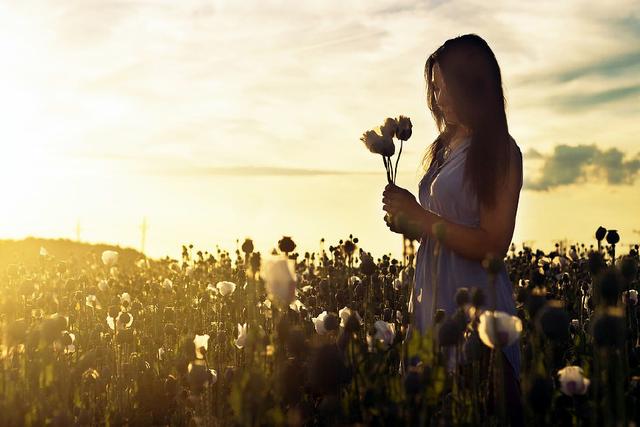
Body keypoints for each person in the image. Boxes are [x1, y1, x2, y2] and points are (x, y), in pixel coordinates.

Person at [382, 34, 524, 424]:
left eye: (443, 86)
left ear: (470, 87)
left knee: (480, 407)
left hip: (478, 308)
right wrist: (409, 221)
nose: (437, 97)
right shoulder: (444, 149)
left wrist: (422, 218)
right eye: (434, 86)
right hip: (432, 303)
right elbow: (442, 225)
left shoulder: (500, 150)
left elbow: (494, 245)